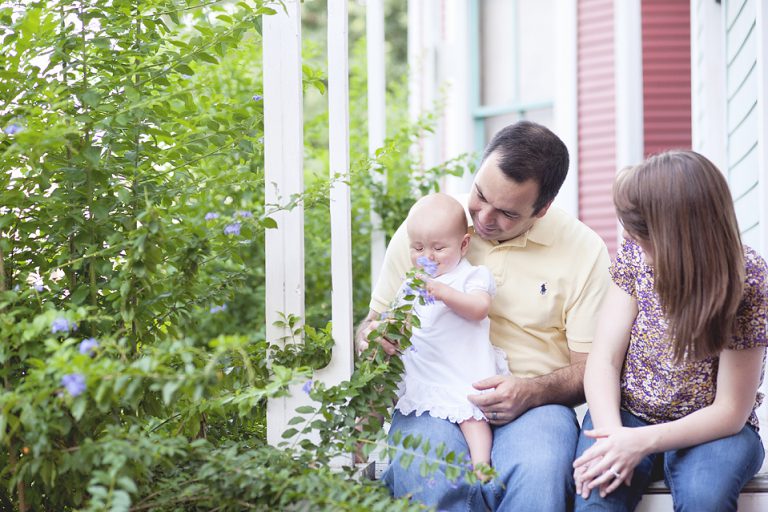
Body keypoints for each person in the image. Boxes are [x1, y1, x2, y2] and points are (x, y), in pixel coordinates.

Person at [356, 120, 612, 511]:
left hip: (534, 406)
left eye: (507, 212)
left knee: (539, 473)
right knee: (425, 471)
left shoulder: (584, 251)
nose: (484, 218)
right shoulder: (430, 227)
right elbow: (372, 322)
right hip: (434, 394)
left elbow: (590, 369)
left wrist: (532, 391)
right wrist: (370, 337)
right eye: (480, 194)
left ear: (542, 209)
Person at [572, 150, 768, 512]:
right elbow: (604, 360)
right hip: (627, 414)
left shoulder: (746, 279)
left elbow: (730, 410)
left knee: (705, 499)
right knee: (597, 495)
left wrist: (643, 442)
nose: (630, 239)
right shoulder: (636, 257)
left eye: (641, 233)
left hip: (713, 428)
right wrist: (614, 437)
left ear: (676, 234)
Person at [392, 193, 509, 477]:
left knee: (471, 416)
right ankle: (360, 436)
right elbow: (400, 321)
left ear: (464, 244)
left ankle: (481, 465)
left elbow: (479, 308)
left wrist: (444, 292)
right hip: (426, 367)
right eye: (417, 248)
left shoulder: (472, 276)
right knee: (395, 397)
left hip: (463, 366)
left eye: (438, 248)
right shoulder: (412, 284)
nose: (427, 257)